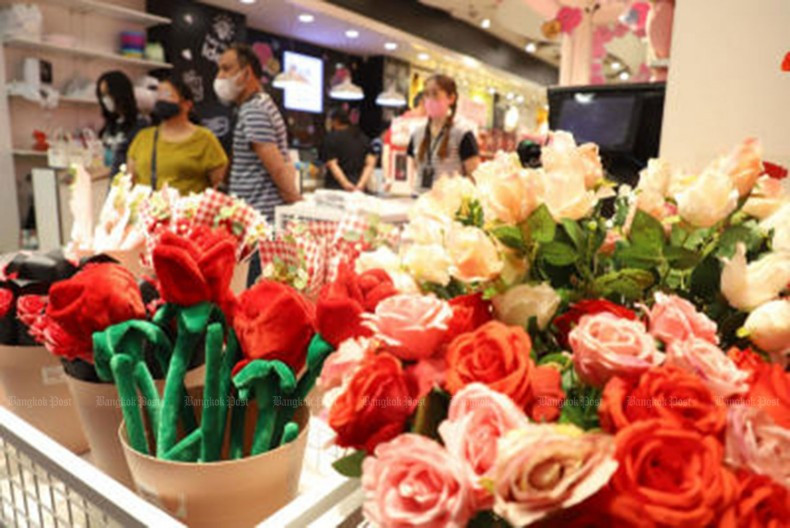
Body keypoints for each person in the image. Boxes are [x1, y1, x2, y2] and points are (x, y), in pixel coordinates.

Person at [215, 43, 300, 285]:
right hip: (257, 226)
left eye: (226, 68)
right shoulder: (256, 107)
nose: (220, 76)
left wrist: (297, 205)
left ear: (247, 72)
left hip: (260, 228)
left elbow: (276, 167)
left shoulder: (254, 110)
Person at [127, 77, 228, 195]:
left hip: (188, 211)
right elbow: (129, 181)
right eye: (158, 94)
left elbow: (219, 185)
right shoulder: (143, 137)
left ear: (187, 105)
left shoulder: (205, 139)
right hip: (146, 211)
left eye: (167, 94)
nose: (161, 99)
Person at [407, 74, 480, 192]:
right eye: (426, 95)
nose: (429, 100)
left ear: (451, 98)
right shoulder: (417, 133)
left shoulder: (462, 133)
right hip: (420, 201)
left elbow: (474, 175)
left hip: (448, 205)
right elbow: (414, 167)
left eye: (435, 94)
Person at [96, 71, 148, 178]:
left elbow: (138, 164)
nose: (105, 100)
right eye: (102, 95)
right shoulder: (110, 126)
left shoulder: (140, 126)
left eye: (108, 94)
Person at [320, 107, 377, 192]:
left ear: (335, 121)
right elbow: (370, 164)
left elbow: (332, 164)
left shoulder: (331, 138)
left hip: (336, 189)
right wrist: (360, 185)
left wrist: (346, 184)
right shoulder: (364, 138)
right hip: (359, 190)